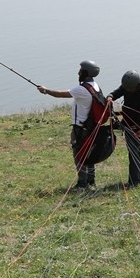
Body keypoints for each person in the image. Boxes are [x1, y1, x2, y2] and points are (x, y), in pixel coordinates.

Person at [37, 60, 110, 189]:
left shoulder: (82, 89)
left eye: (81, 71)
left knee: (79, 155)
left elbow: (60, 94)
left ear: (86, 73)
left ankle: (82, 184)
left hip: (81, 128)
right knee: (89, 154)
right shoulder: (95, 86)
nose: (78, 73)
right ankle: (91, 181)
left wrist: (45, 90)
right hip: (91, 126)